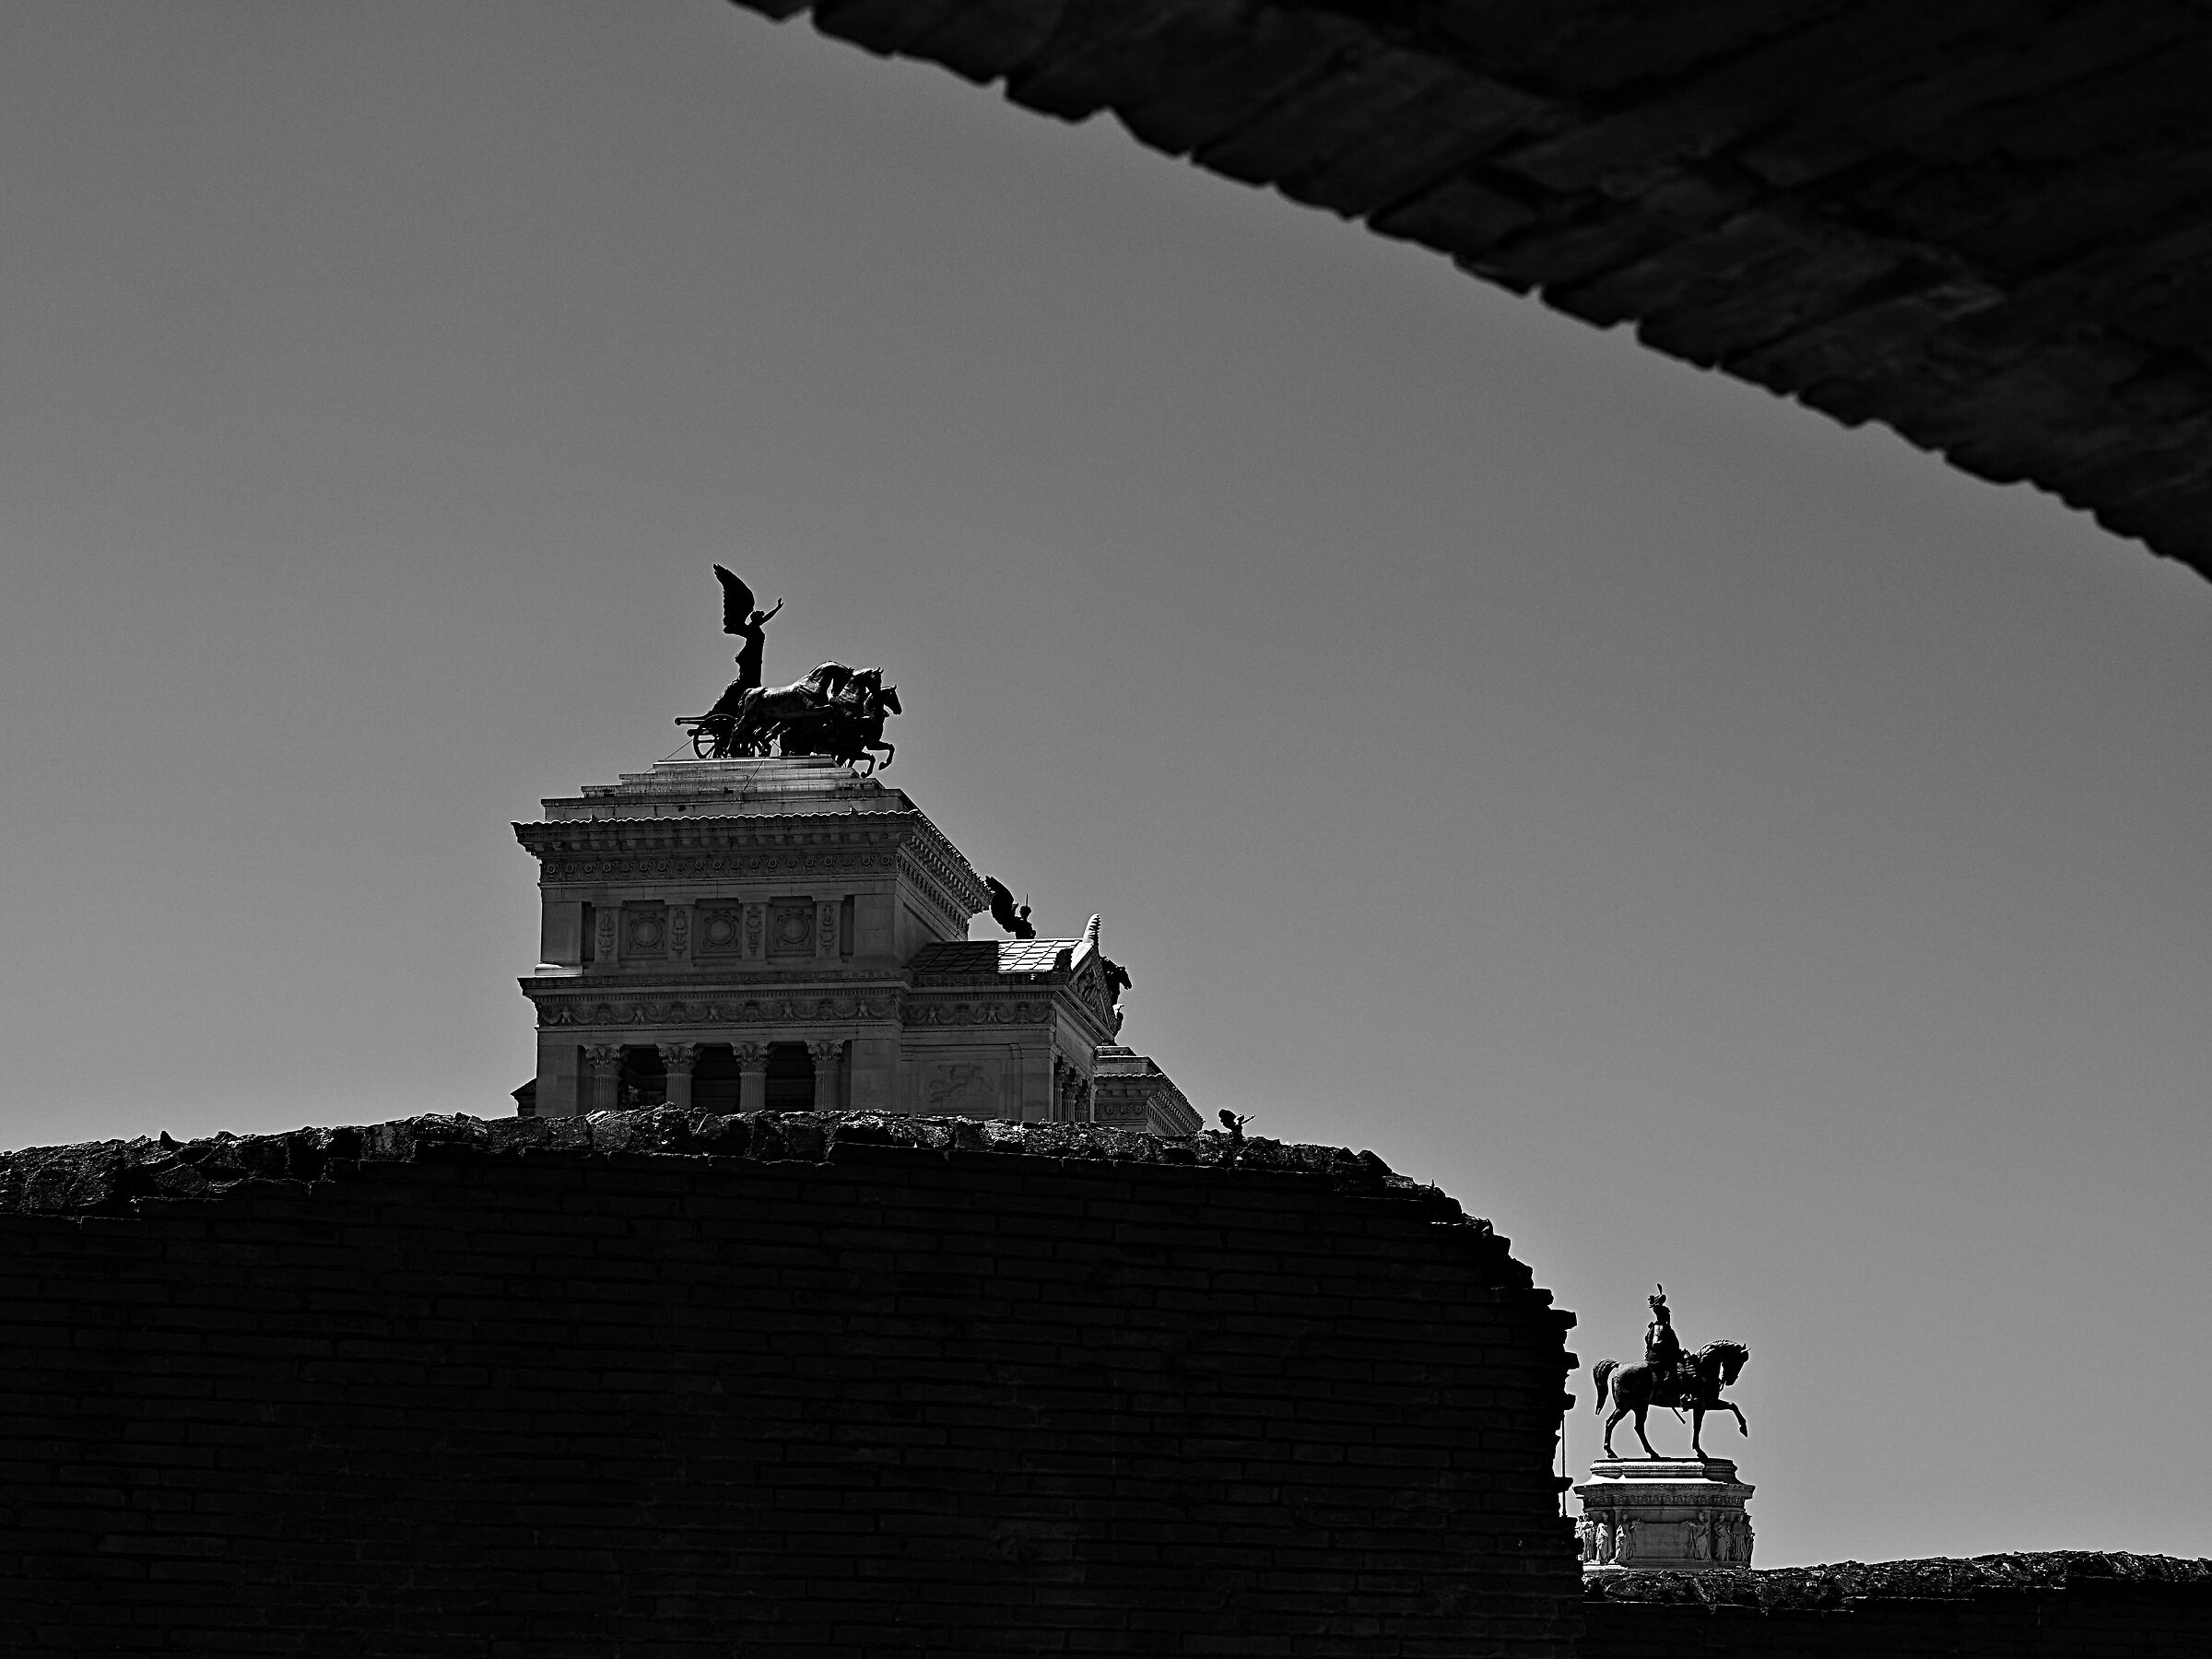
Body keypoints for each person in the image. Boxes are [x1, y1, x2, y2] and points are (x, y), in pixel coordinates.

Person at [1645, 1285, 1685, 1397]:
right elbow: (1655, 1344)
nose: (1668, 1317)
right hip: (1662, 1357)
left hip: (1670, 1355)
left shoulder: (1666, 1328)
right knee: (1680, 1369)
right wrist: (1668, 1348)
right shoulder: (1659, 1328)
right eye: (1667, 1314)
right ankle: (1671, 1386)